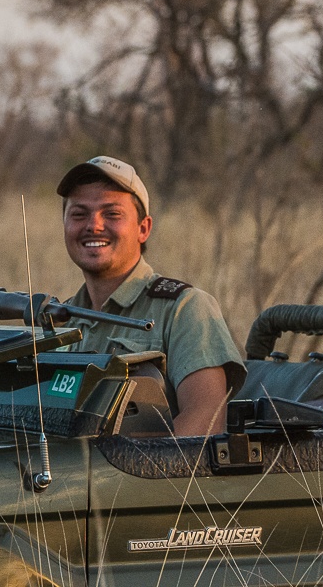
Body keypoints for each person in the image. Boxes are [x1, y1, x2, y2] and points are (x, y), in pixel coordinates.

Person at [56, 156, 245, 437]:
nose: (93, 226)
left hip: (147, 478)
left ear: (143, 228)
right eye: (79, 214)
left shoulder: (184, 308)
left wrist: (119, 472)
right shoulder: (61, 320)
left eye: (112, 214)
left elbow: (206, 420)